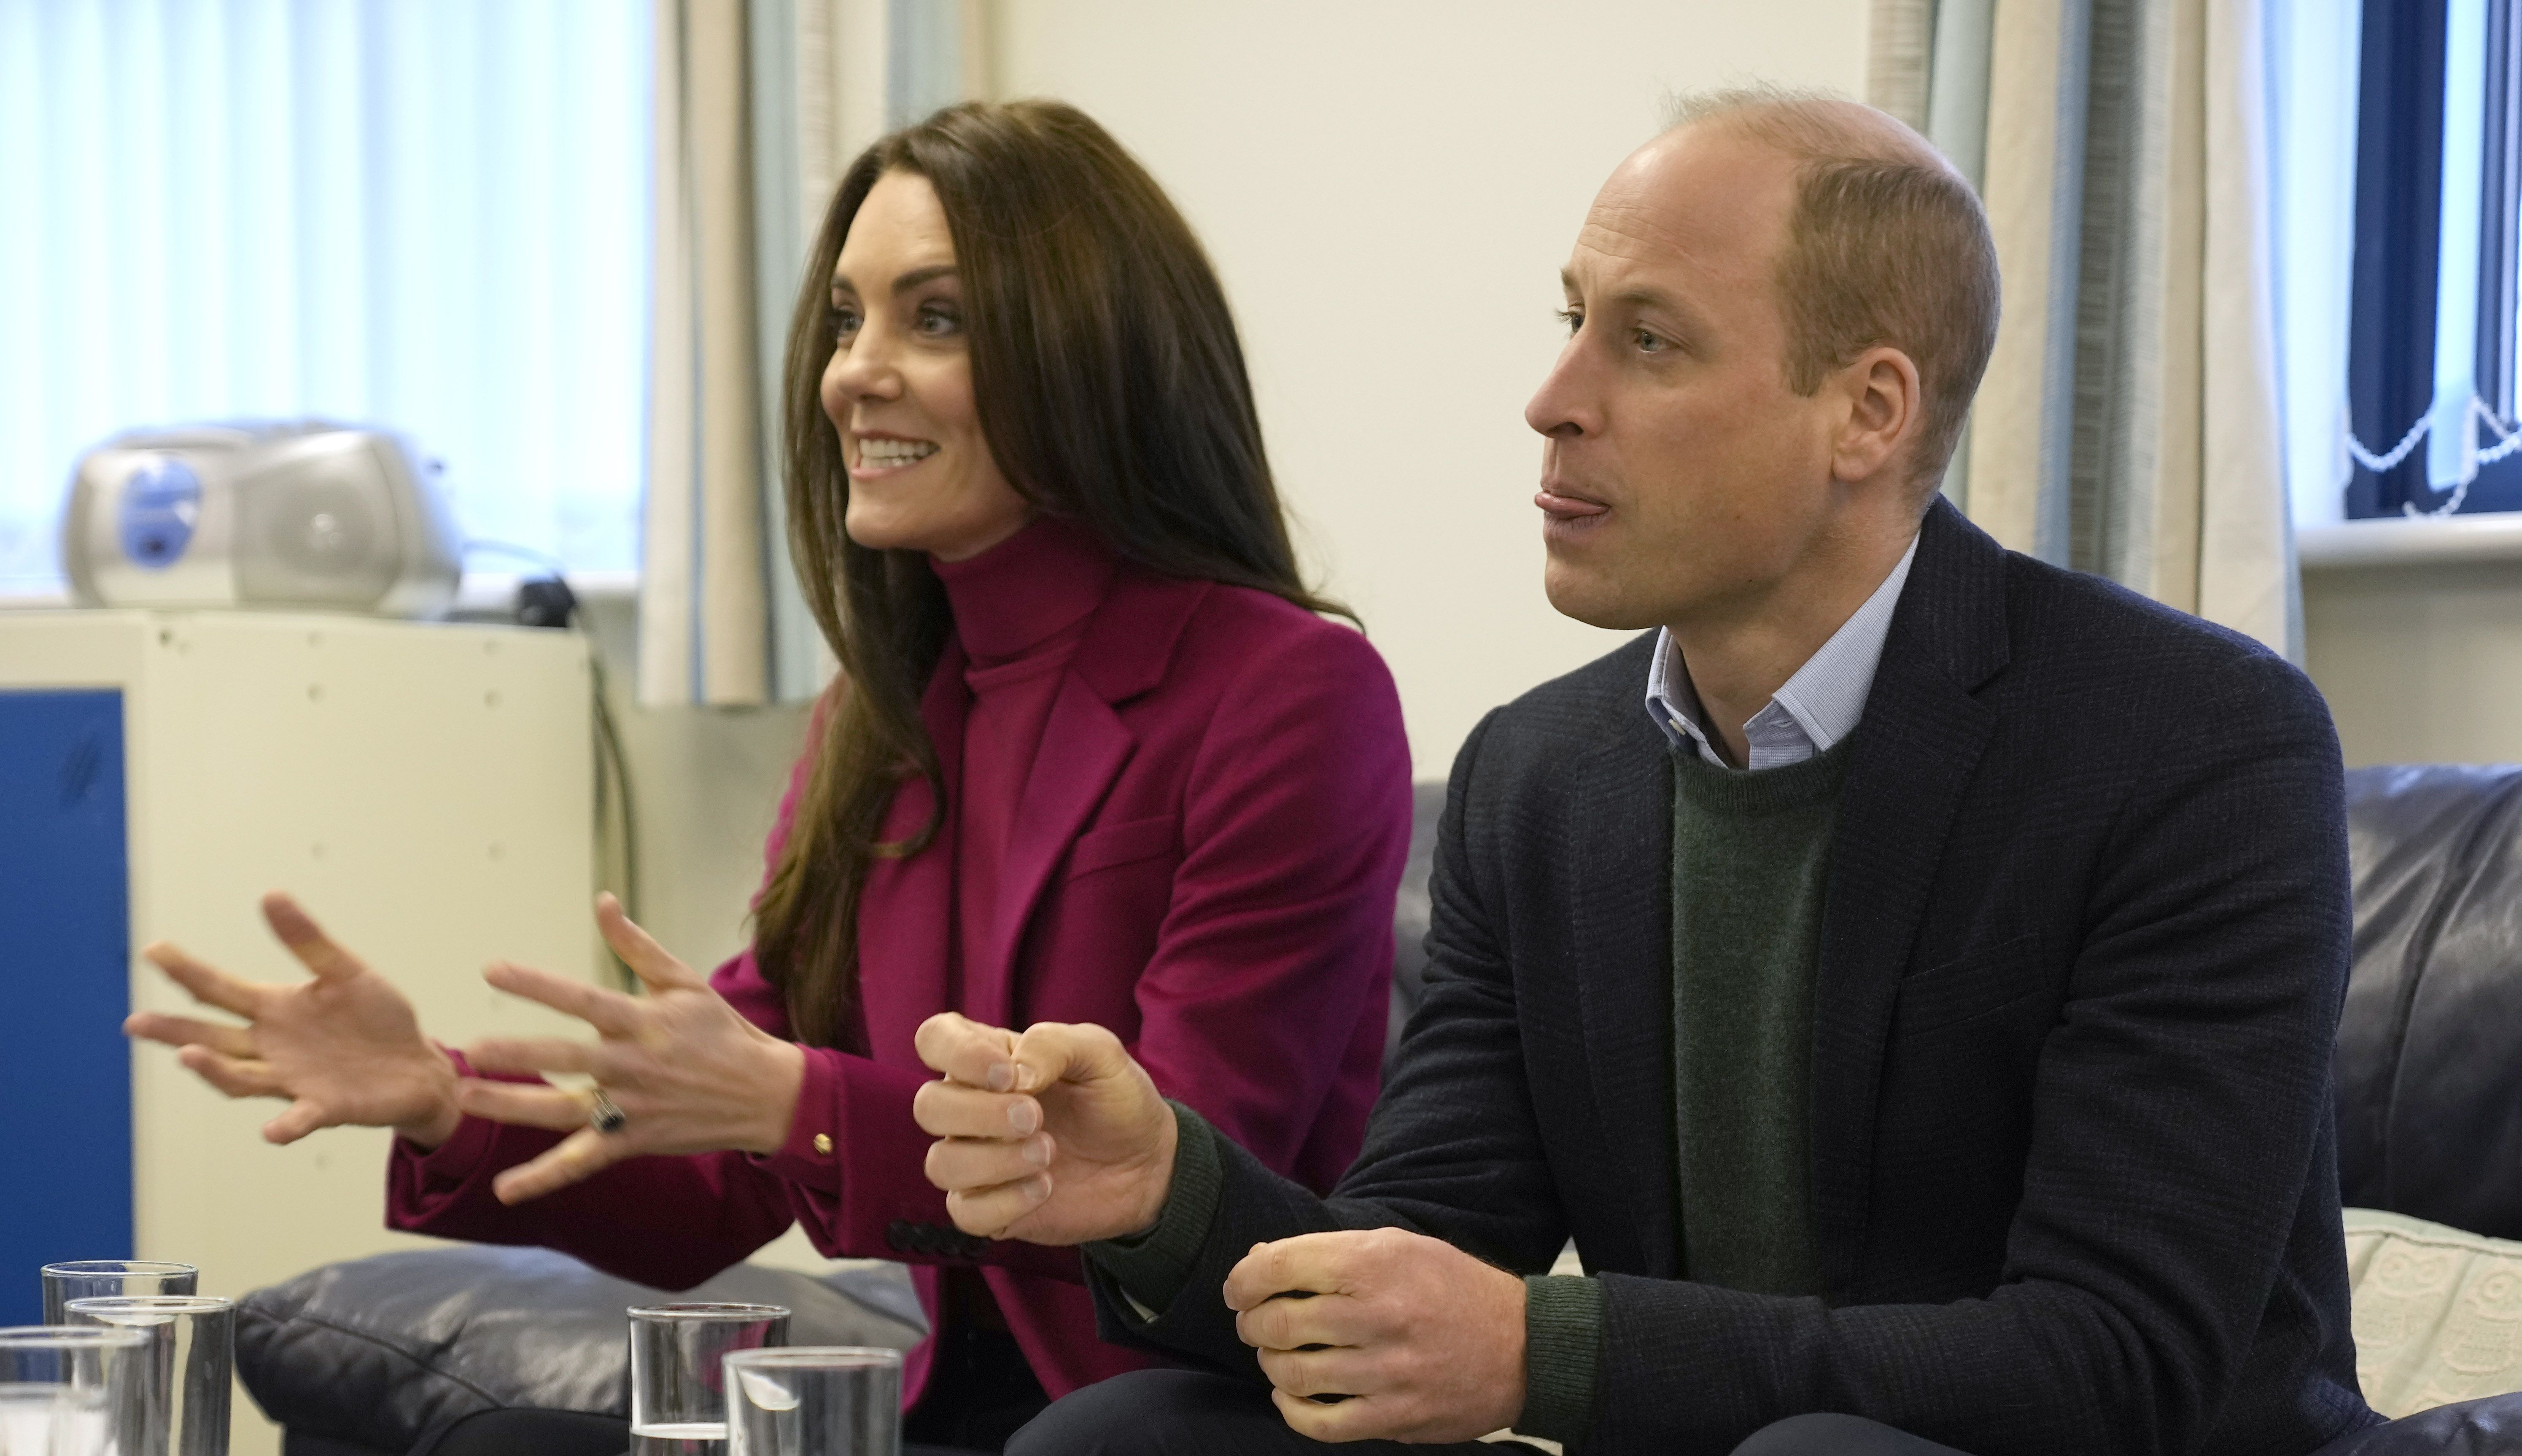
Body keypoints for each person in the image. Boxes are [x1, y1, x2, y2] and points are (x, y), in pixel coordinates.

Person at [907, 89, 2380, 1456]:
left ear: (1867, 412)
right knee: (1127, 1438)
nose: (1553, 397)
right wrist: (1166, 1192)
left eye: (1650, 341)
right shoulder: (1538, 775)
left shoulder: (2192, 746)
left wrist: (1545, 1348)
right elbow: (1422, 1258)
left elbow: (2116, 1359)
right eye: (1573, 320)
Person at [124, 100, 1411, 1456]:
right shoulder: (883, 714)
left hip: (1186, 1409)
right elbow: (716, 1172)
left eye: (935, 319)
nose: (853, 374)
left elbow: (1176, 1166)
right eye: (847, 320)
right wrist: (446, 1099)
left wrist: (800, 1104)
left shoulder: (1288, 690)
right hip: (960, 1417)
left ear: (1088, 350)